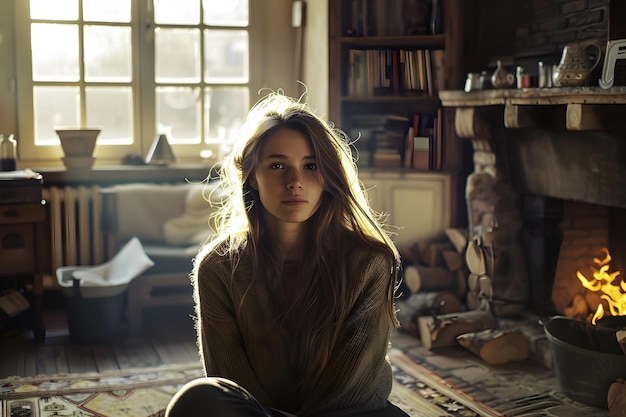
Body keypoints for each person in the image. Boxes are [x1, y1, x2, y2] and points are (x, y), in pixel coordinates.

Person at [166, 92, 408, 417]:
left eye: (310, 166)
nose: (295, 182)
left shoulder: (369, 261)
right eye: (277, 165)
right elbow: (229, 378)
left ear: (327, 177)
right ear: (252, 175)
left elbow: (352, 383)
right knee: (196, 400)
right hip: (265, 415)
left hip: (350, 413)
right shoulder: (218, 267)